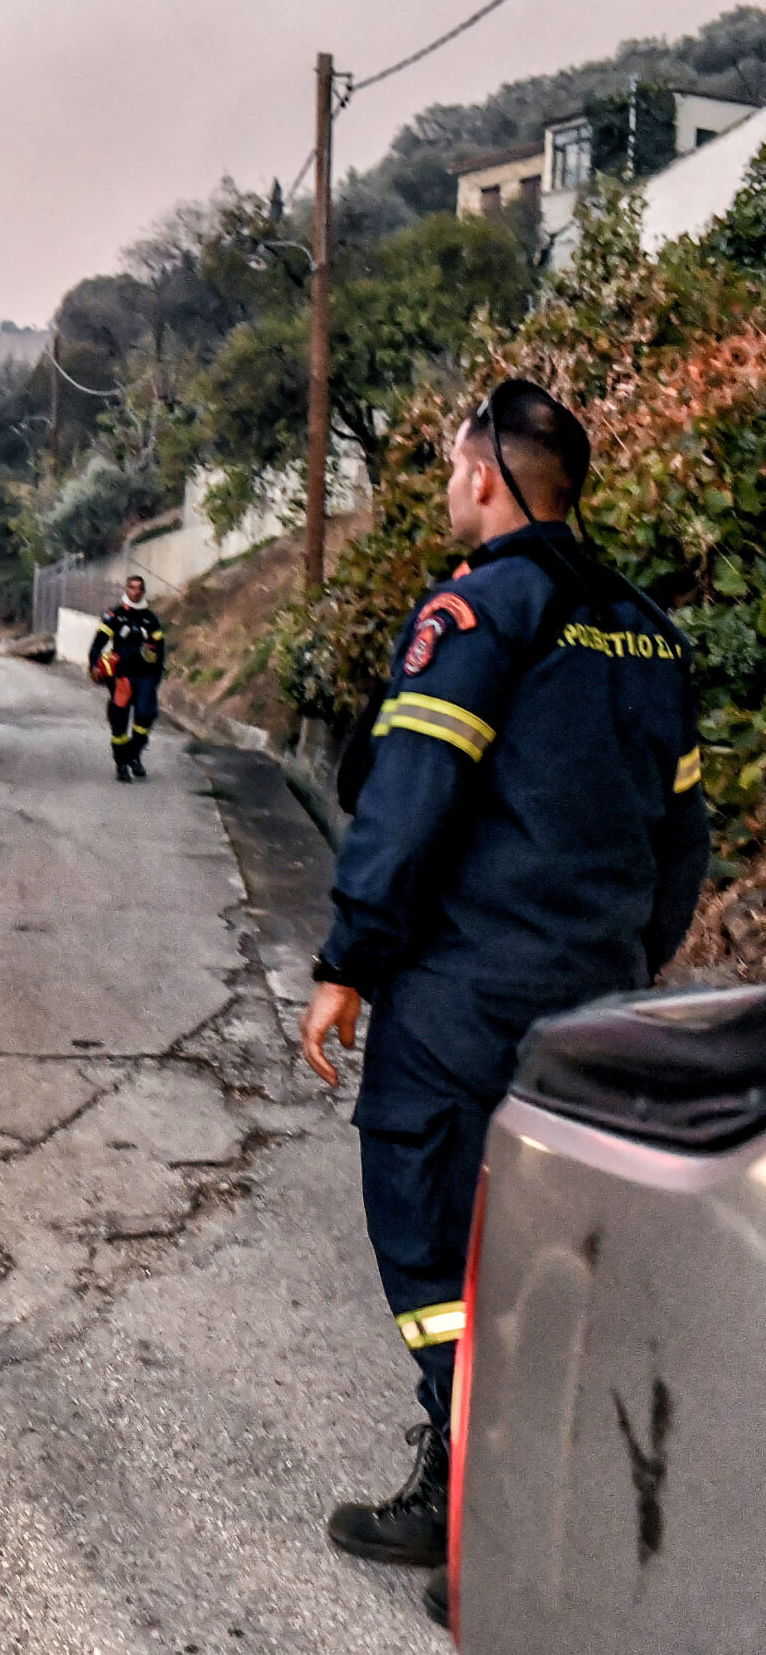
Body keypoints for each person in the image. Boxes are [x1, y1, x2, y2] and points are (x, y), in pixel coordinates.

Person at [300, 379, 707, 1620]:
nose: (443, 485)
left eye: (449, 465)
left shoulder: (482, 610)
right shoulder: (645, 627)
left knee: (426, 1228)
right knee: (541, 1243)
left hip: (465, 997)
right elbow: (678, 836)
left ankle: (487, 1506)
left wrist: (347, 963)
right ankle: (494, 1478)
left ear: (489, 477)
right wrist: (627, 965)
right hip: (595, 1005)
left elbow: (409, 798)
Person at [86, 575, 166, 781]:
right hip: (122, 677)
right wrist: (94, 665)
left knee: (146, 715)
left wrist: (157, 676)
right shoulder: (115, 615)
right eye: (132, 587)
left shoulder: (151, 618)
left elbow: (160, 650)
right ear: (126, 589)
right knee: (119, 721)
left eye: (140, 588)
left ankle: (133, 755)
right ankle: (121, 763)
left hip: (146, 677)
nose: (135, 592)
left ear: (144, 592)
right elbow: (98, 644)